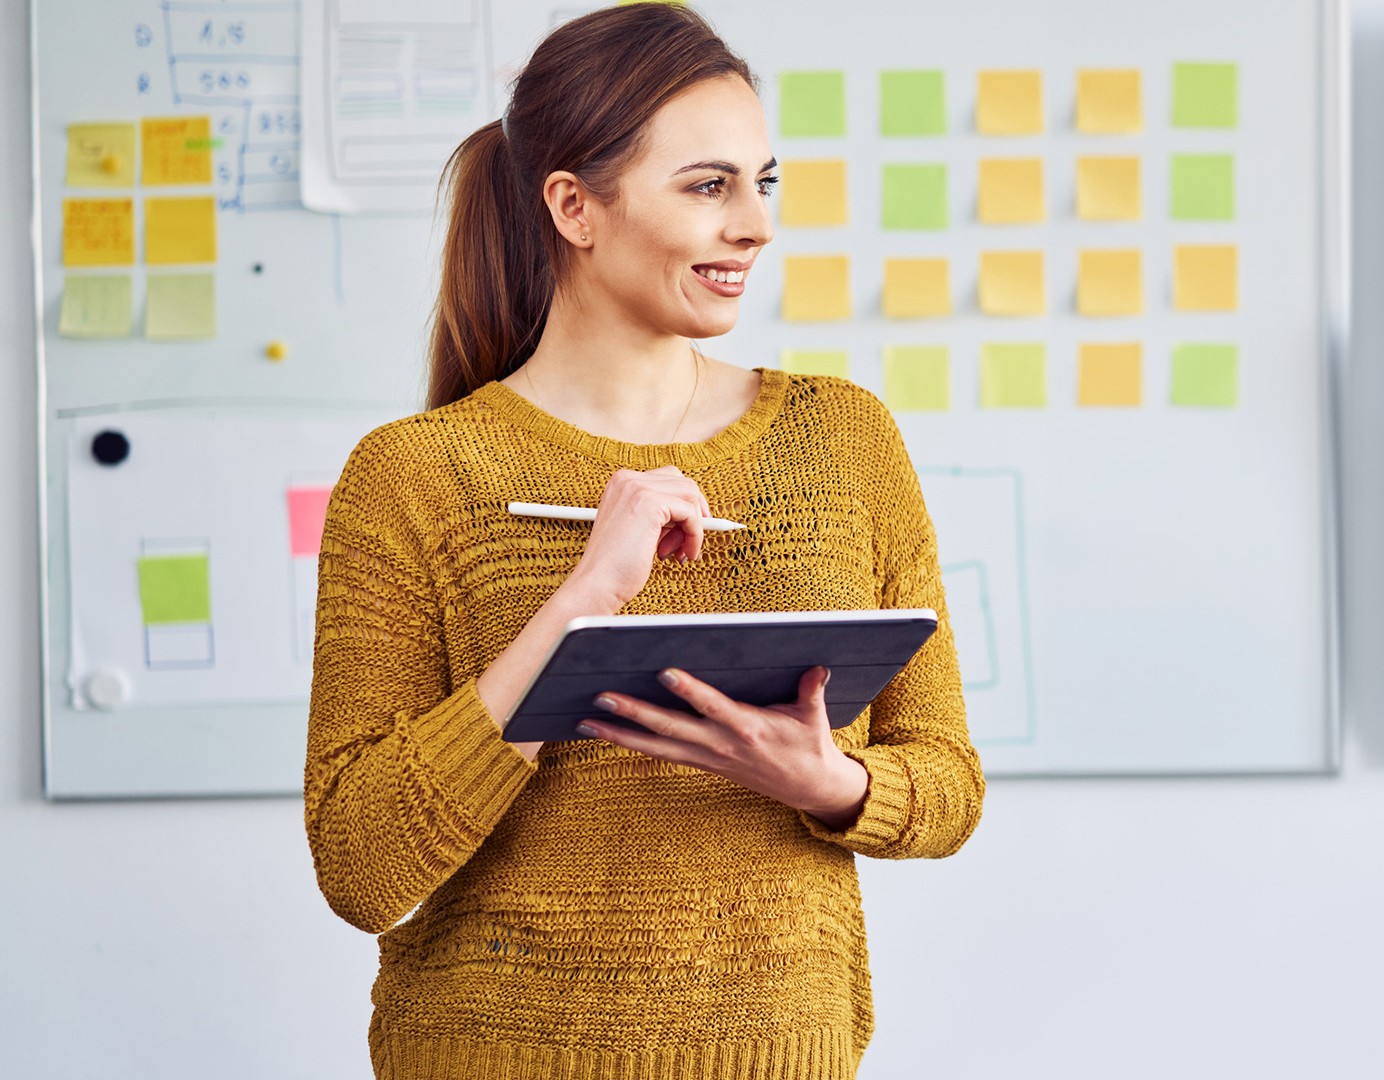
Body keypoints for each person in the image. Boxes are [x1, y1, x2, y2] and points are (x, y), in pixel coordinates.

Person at [302, 6, 984, 1077]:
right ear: (574, 206)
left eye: (763, 184)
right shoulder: (417, 473)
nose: (754, 225)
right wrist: (575, 609)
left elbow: (948, 782)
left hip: (782, 1053)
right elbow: (361, 867)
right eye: (708, 186)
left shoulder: (843, 440)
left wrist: (834, 787)